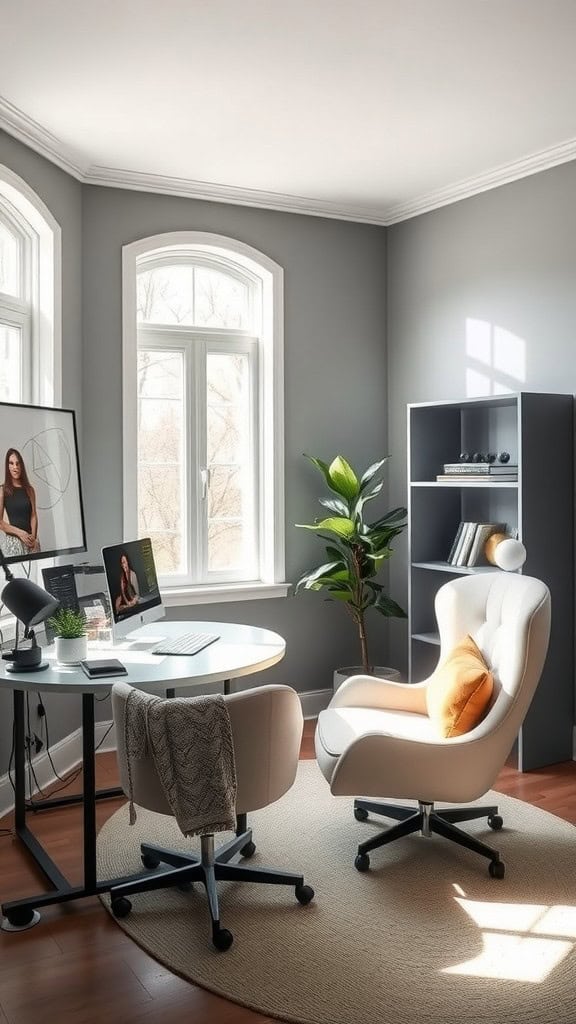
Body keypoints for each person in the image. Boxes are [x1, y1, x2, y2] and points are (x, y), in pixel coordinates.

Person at [0, 448, 40, 557]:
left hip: (31, 541)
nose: (15, 467)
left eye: (18, 464)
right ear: (7, 467)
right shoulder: (2, 490)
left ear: (21, 466)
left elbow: (33, 515)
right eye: (11, 463)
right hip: (14, 542)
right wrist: (20, 533)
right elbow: (0, 523)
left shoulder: (29, 489)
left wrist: (33, 538)